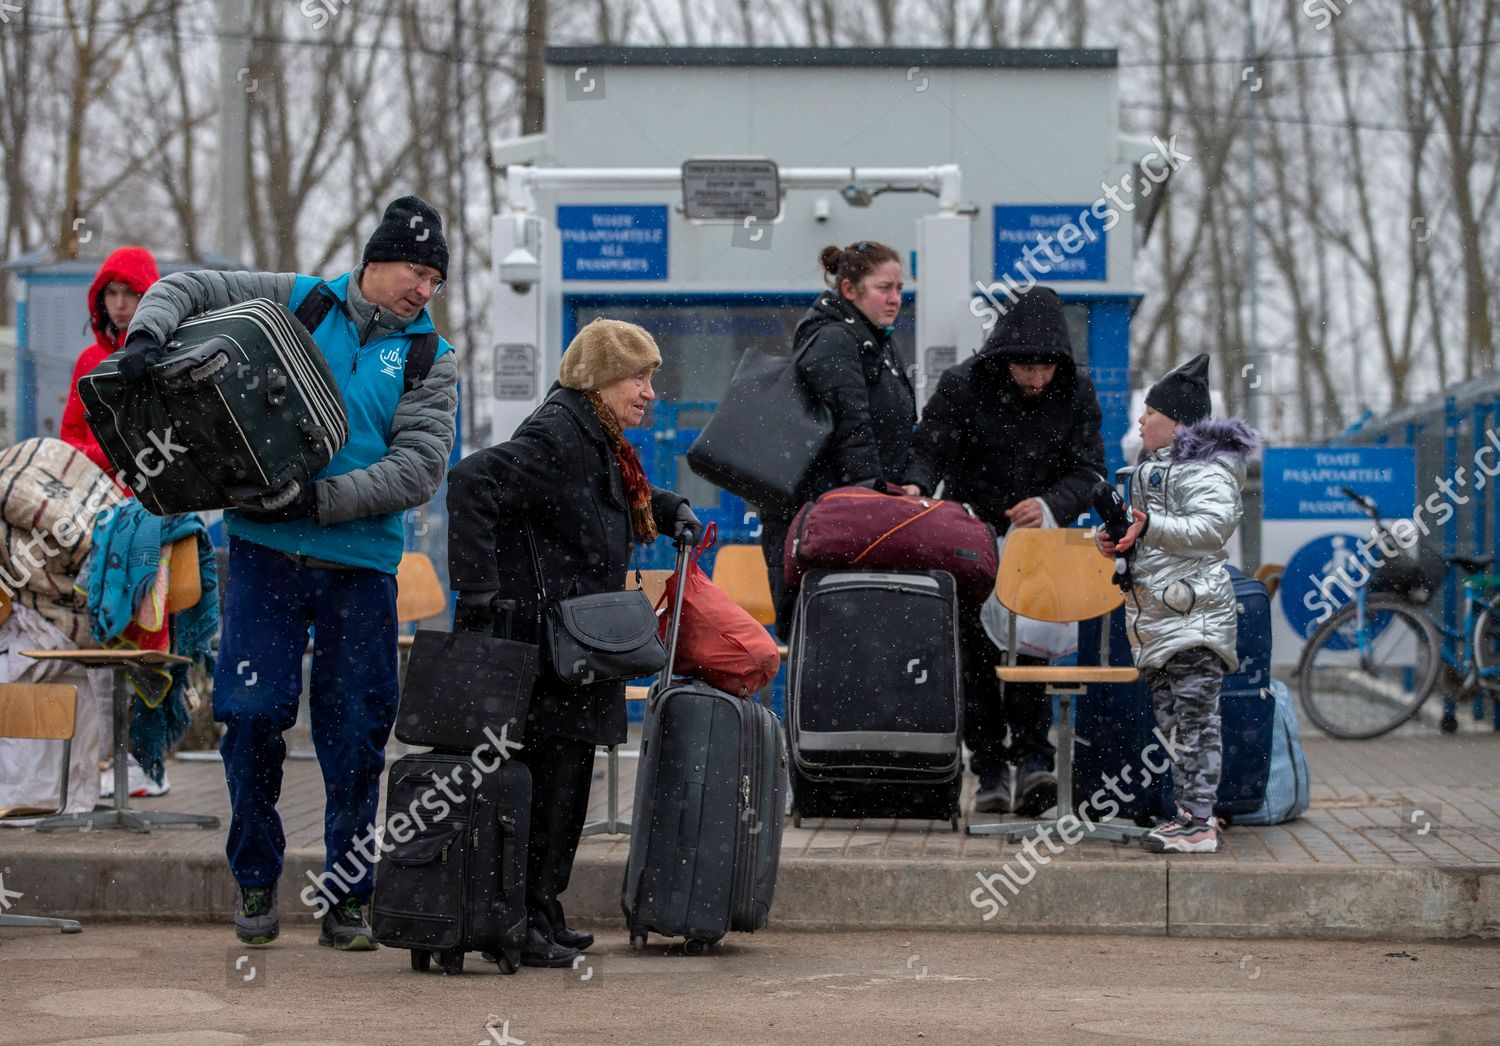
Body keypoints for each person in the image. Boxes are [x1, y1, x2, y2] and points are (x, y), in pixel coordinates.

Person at [120, 196, 460, 949]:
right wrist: (146, 337)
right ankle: (254, 882)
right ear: (374, 262)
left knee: (354, 738)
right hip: (264, 558)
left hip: (361, 570)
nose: (425, 290)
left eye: (437, 279)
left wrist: (319, 497)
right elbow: (189, 286)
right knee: (248, 716)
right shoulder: (298, 300)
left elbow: (418, 469)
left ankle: (345, 900)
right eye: (416, 270)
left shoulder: (432, 357)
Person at [446, 318, 701, 968]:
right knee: (549, 786)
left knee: (568, 783)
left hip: (575, 648)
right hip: (544, 647)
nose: (649, 392)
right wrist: (478, 593)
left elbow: (610, 498)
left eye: (651, 378)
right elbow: (471, 482)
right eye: (638, 377)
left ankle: (544, 911)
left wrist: (667, 509)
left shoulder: (600, 441)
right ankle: (525, 918)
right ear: (599, 379)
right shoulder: (560, 432)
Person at [901, 287, 1105, 817]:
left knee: (1032, 654)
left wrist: (1049, 502)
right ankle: (989, 770)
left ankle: (1036, 762)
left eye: (1045, 371)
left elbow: (1090, 472)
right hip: (974, 542)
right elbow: (929, 448)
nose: (1036, 381)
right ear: (1004, 359)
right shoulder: (963, 385)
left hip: (1041, 547)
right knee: (978, 660)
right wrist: (917, 487)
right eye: (1025, 369)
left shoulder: (1077, 391)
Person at [1098, 354, 1259, 853]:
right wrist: (1110, 538)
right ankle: (1192, 814)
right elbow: (1147, 530)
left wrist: (1148, 527)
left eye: (1151, 413)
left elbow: (1210, 531)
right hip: (1162, 622)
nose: (1141, 421)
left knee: (1195, 722)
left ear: (1179, 423)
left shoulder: (1207, 471)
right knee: (1175, 723)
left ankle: (1199, 822)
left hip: (1195, 618)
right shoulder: (1150, 470)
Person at [760, 241, 916, 636]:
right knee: (834, 655)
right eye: (884, 288)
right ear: (849, 289)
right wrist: (879, 508)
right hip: (825, 528)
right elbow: (853, 434)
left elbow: (893, 434)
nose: (895, 298)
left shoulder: (876, 343)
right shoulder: (834, 340)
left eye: (900, 288)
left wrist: (910, 484)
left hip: (843, 524)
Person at [60, 246, 160, 479]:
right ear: (100, 297)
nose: (119, 304)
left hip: (149, 495)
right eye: (112, 293)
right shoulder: (89, 359)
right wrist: (113, 457)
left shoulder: (161, 356)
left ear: (147, 297)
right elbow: (69, 436)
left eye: (129, 293)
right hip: (94, 490)